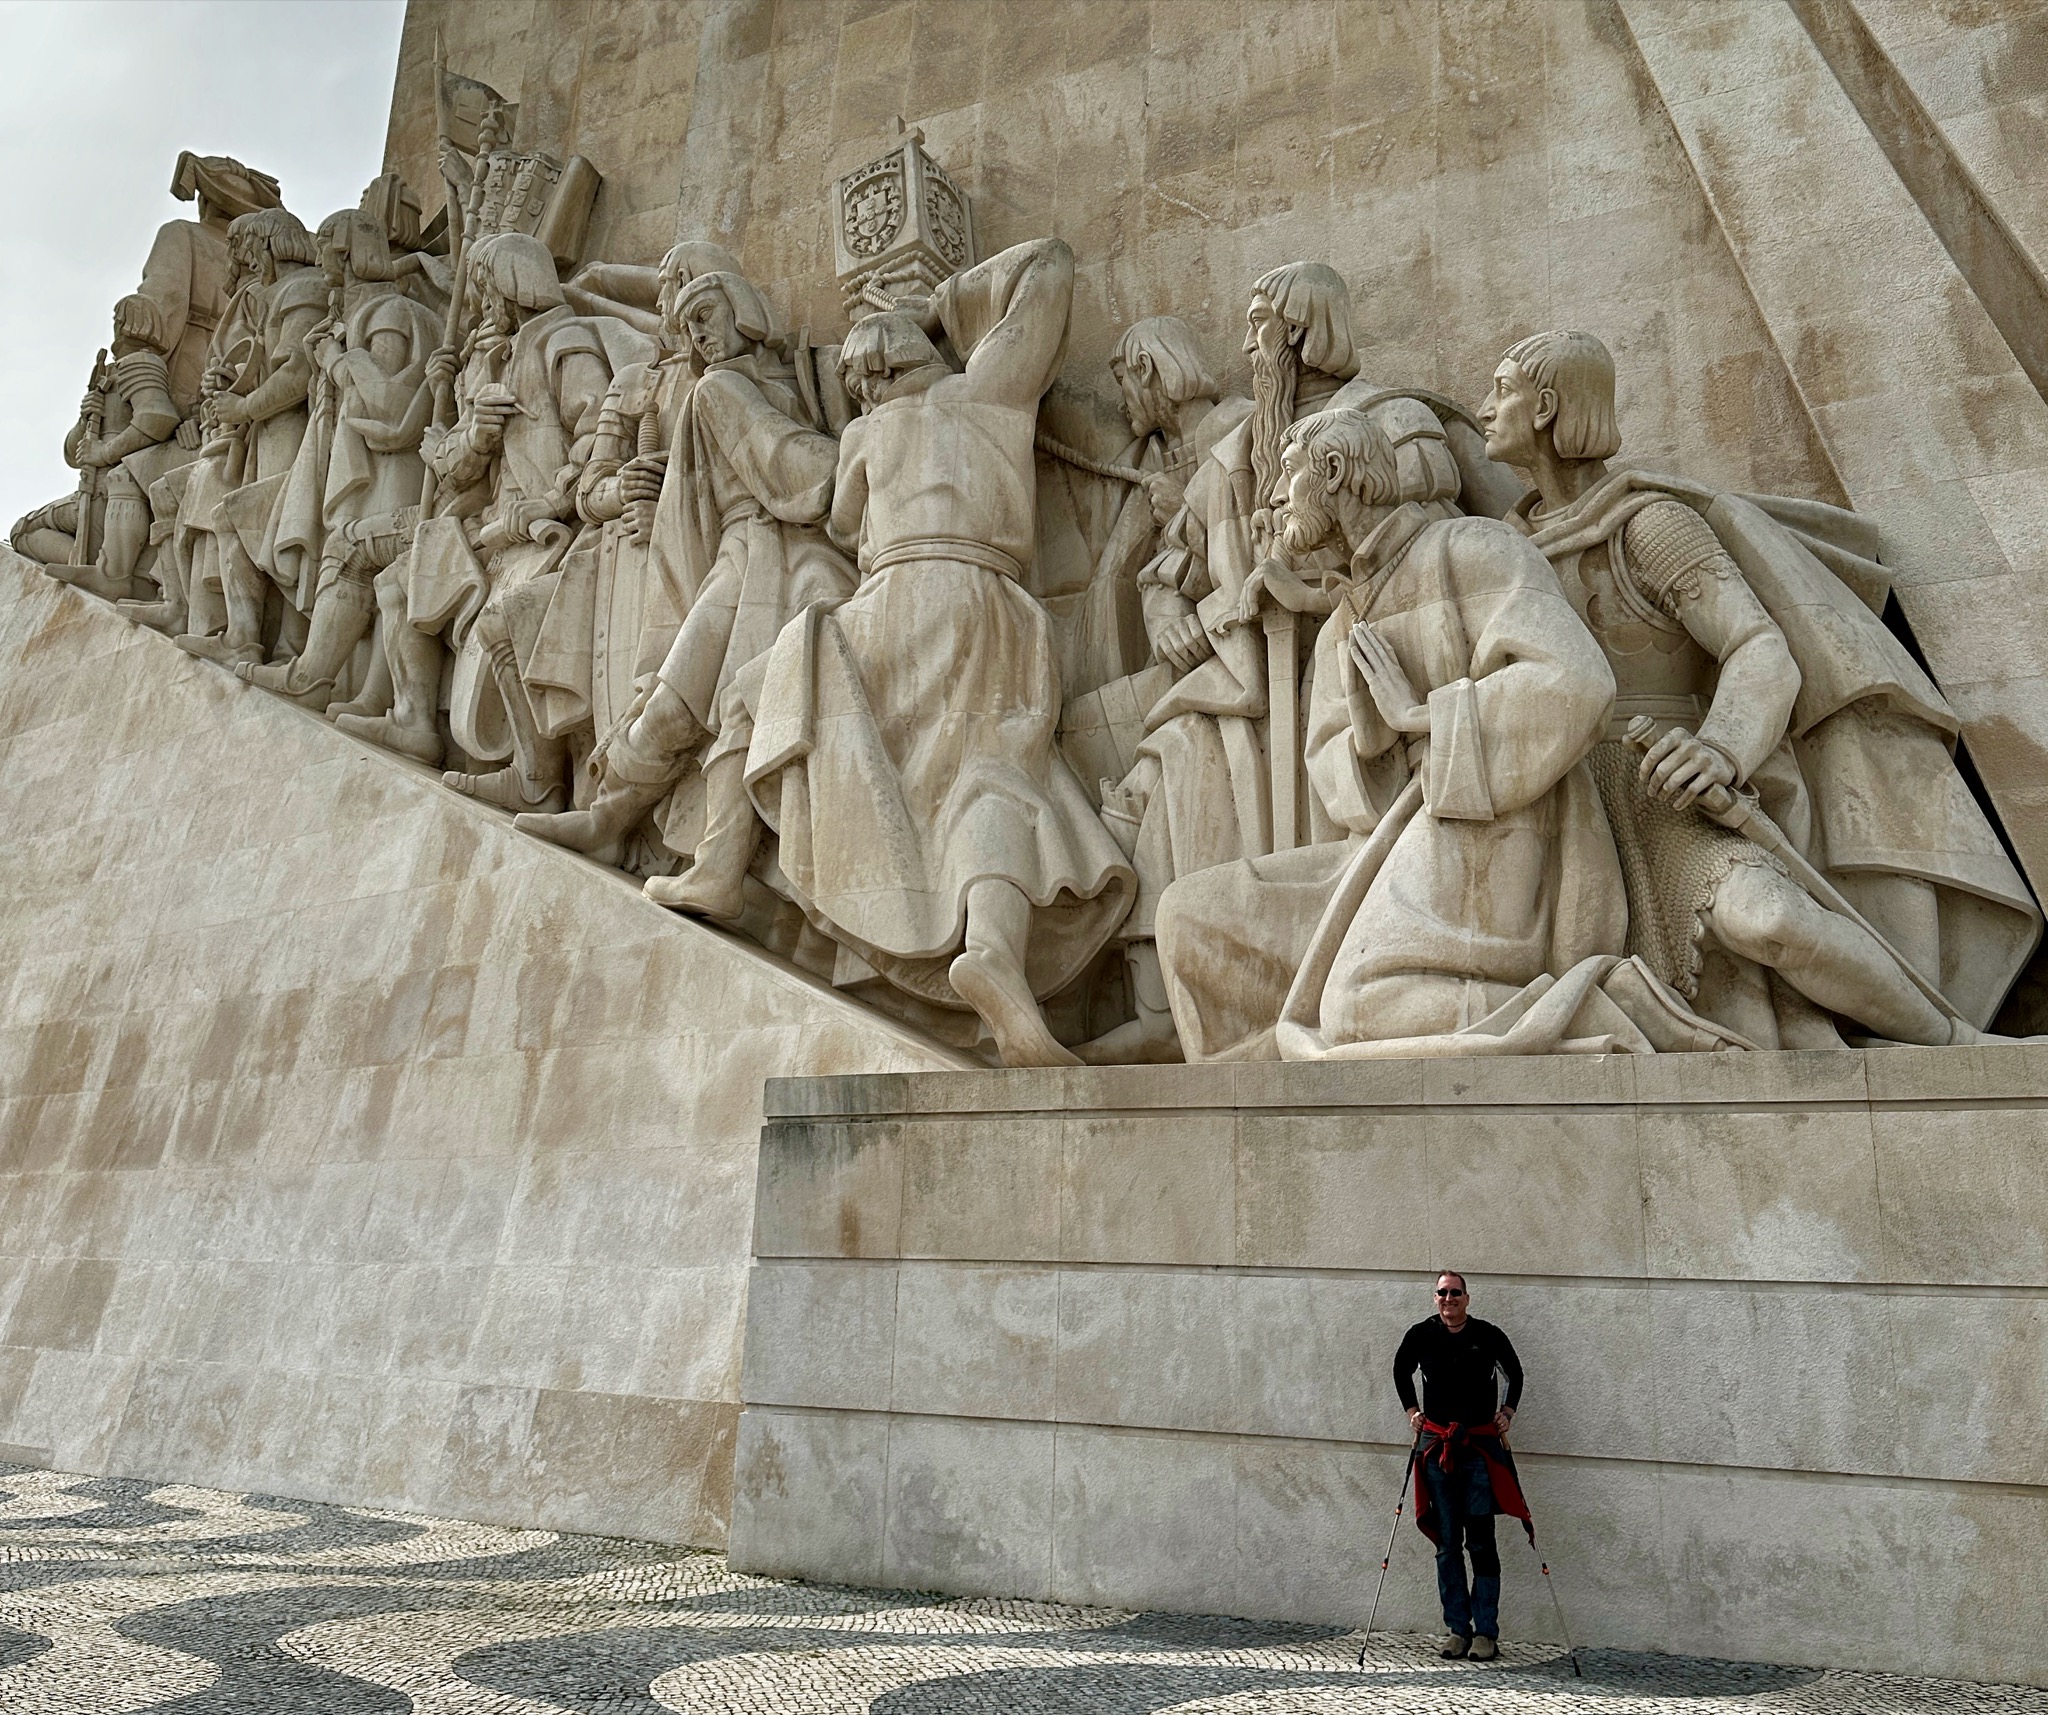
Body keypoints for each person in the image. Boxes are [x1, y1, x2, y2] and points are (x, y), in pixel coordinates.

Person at [1486, 330, 2040, 1045]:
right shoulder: (1501, 552)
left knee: (1770, 919)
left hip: (1662, 783)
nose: (1486, 408)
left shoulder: (1648, 526)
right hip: (1561, 807)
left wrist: (1720, 747)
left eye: (1502, 390)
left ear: (1546, 407)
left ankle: (1954, 1042)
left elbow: (1758, 647)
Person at [1393, 1271, 1529, 1661]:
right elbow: (1400, 1370)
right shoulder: (1421, 1334)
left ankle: (1486, 1633)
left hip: (1479, 1447)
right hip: (1437, 1447)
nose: (1448, 1299)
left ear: (1467, 1298)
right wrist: (1412, 1411)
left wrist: (1507, 1411)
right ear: (1434, 1298)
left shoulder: (1487, 1334)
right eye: (1442, 1293)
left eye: (1455, 1293)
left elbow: (1515, 1373)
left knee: (1482, 1539)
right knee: (1447, 1542)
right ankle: (1458, 1630)